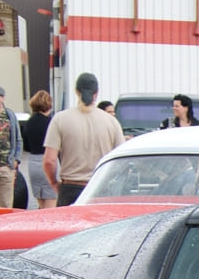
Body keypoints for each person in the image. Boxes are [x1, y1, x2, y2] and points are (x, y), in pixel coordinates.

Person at [43, 72, 124, 207]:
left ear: (76, 91)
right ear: (96, 93)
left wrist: (54, 183)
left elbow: (49, 160)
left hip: (70, 188)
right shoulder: (111, 122)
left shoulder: (60, 119)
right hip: (101, 187)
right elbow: (120, 161)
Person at [22, 91, 57, 208]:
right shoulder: (51, 123)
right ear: (49, 105)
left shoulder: (29, 123)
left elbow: (26, 147)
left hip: (33, 164)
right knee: (52, 202)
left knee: (41, 204)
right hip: (48, 161)